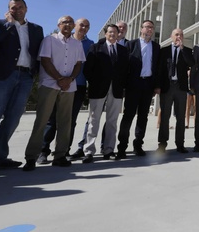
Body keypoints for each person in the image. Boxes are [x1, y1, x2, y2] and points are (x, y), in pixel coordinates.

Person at [0, 0, 44, 176]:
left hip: (25, 76)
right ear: (8, 10)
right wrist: (9, 25)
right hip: (1, 77)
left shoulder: (36, 29)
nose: (17, 10)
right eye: (13, 7)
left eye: (20, 7)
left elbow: (37, 52)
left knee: (13, 119)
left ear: (26, 9)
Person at [22, 16, 86, 171]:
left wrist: (69, 79)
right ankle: (31, 156)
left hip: (68, 87)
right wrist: (59, 78)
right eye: (65, 22)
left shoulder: (77, 44)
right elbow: (45, 60)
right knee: (42, 120)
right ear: (58, 24)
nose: (68, 24)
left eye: (70, 22)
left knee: (65, 122)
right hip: (50, 84)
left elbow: (78, 64)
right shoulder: (49, 40)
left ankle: (60, 155)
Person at [81, 24, 129, 162]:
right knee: (93, 120)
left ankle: (108, 150)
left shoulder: (123, 50)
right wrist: (95, 83)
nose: (113, 34)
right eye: (110, 32)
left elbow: (126, 70)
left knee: (112, 121)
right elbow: (88, 70)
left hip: (117, 90)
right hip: (98, 90)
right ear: (105, 33)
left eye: (115, 32)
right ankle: (89, 151)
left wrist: (123, 86)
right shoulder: (96, 48)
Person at [117, 19, 161, 158]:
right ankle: (122, 147)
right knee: (128, 116)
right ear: (141, 29)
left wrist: (156, 86)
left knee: (143, 117)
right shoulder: (131, 45)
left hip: (148, 85)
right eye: (147, 27)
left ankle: (138, 145)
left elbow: (158, 68)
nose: (149, 30)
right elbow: (124, 67)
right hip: (133, 85)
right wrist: (123, 86)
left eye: (151, 28)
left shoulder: (156, 47)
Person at [56, 18, 94, 160]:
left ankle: (64, 150)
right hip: (58, 83)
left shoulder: (90, 45)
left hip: (79, 85)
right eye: (81, 25)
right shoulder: (62, 40)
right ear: (74, 26)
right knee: (53, 119)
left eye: (87, 26)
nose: (84, 28)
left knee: (71, 119)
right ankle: (45, 150)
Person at [156, 28, 195, 153]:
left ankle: (180, 144)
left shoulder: (187, 51)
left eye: (181, 35)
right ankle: (162, 144)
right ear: (171, 36)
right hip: (167, 87)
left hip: (181, 88)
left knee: (180, 117)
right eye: (177, 34)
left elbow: (191, 63)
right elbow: (159, 69)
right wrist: (157, 86)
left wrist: (182, 49)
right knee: (165, 117)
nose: (179, 36)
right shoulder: (164, 51)